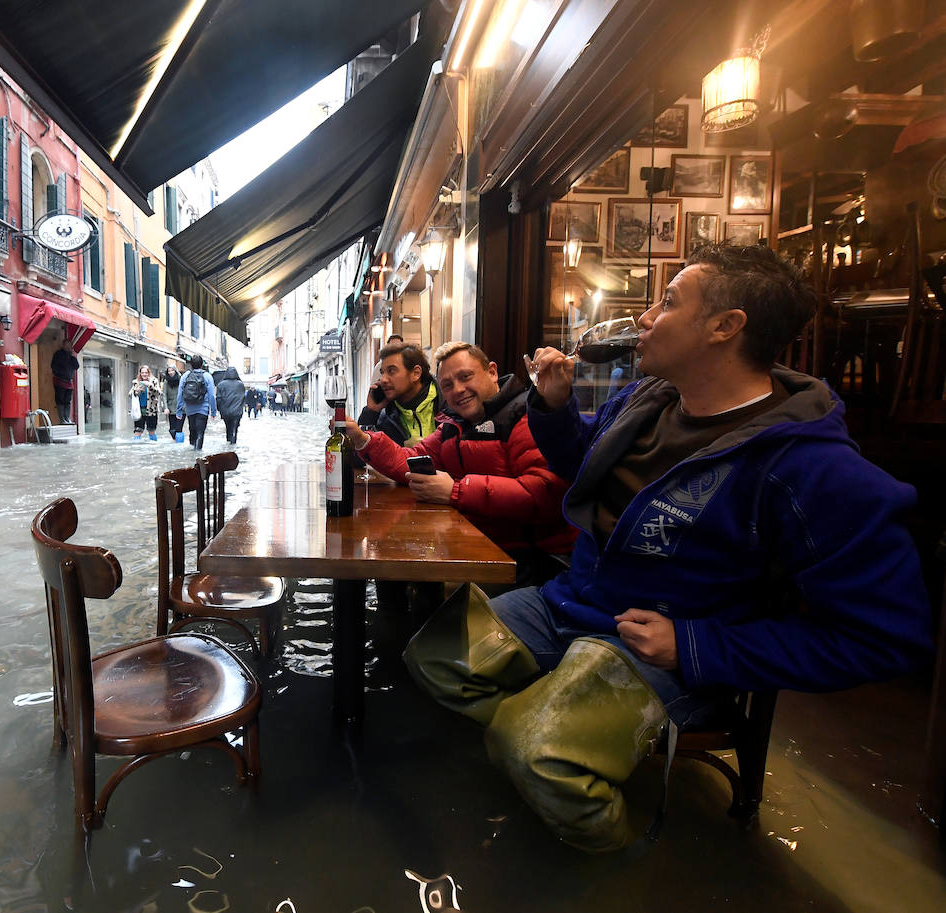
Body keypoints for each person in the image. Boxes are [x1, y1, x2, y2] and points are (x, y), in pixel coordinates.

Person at [405, 243, 932, 852]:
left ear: (724, 327)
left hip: (659, 646)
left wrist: (696, 645)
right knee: (435, 654)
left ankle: (624, 861)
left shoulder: (811, 466)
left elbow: (888, 638)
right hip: (572, 601)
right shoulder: (646, 400)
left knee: (535, 751)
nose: (642, 317)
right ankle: (554, 725)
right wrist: (552, 408)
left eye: (667, 302)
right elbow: (585, 468)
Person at [346, 340, 574, 576]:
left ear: (492, 372)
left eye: (466, 377)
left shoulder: (526, 417)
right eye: (447, 385)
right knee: (396, 570)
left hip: (532, 562)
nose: (457, 389)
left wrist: (456, 491)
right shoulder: (453, 425)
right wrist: (362, 439)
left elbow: (543, 495)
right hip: (477, 548)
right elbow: (410, 459)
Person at [356, 342, 443, 447]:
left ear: (416, 373)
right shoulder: (384, 418)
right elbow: (359, 460)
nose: (383, 379)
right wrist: (371, 414)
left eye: (391, 371)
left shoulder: (448, 406)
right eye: (382, 372)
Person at [175, 354, 217, 450]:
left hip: (189, 409)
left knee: (192, 431)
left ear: (191, 364)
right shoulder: (207, 376)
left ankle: (191, 454)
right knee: (200, 433)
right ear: (202, 364)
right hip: (203, 409)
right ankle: (197, 455)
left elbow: (180, 394)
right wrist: (213, 411)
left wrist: (179, 410)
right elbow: (212, 396)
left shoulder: (185, 376)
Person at [130, 365, 165, 441]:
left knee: (151, 431)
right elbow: (130, 394)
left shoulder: (154, 381)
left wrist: (150, 386)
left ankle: (153, 448)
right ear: (140, 373)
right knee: (137, 431)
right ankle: (137, 450)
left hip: (151, 411)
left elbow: (159, 393)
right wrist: (137, 391)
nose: (144, 374)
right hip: (139, 410)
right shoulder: (136, 382)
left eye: (146, 372)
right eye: (142, 373)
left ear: (149, 373)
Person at [50, 334, 78, 425]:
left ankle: (67, 418)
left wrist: (73, 356)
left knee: (68, 401)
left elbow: (76, 366)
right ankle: (62, 419)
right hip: (60, 380)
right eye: (67, 344)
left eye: (70, 345)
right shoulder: (58, 354)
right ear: (63, 345)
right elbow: (53, 366)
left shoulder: (71, 355)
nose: (69, 346)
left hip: (69, 381)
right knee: (60, 400)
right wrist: (59, 373)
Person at [215, 367, 246, 445]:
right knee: (234, 428)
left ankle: (228, 441)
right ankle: (233, 444)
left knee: (228, 427)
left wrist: (219, 409)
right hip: (237, 412)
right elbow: (243, 398)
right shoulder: (241, 384)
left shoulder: (221, 384)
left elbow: (218, 399)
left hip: (225, 411)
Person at [162, 365, 184, 441]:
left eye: (172, 370)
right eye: (169, 371)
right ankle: (175, 441)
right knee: (172, 430)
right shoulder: (166, 382)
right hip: (171, 408)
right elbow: (164, 394)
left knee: (179, 429)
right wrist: (166, 407)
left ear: (175, 371)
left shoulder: (181, 380)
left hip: (181, 408)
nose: (171, 372)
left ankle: (179, 445)